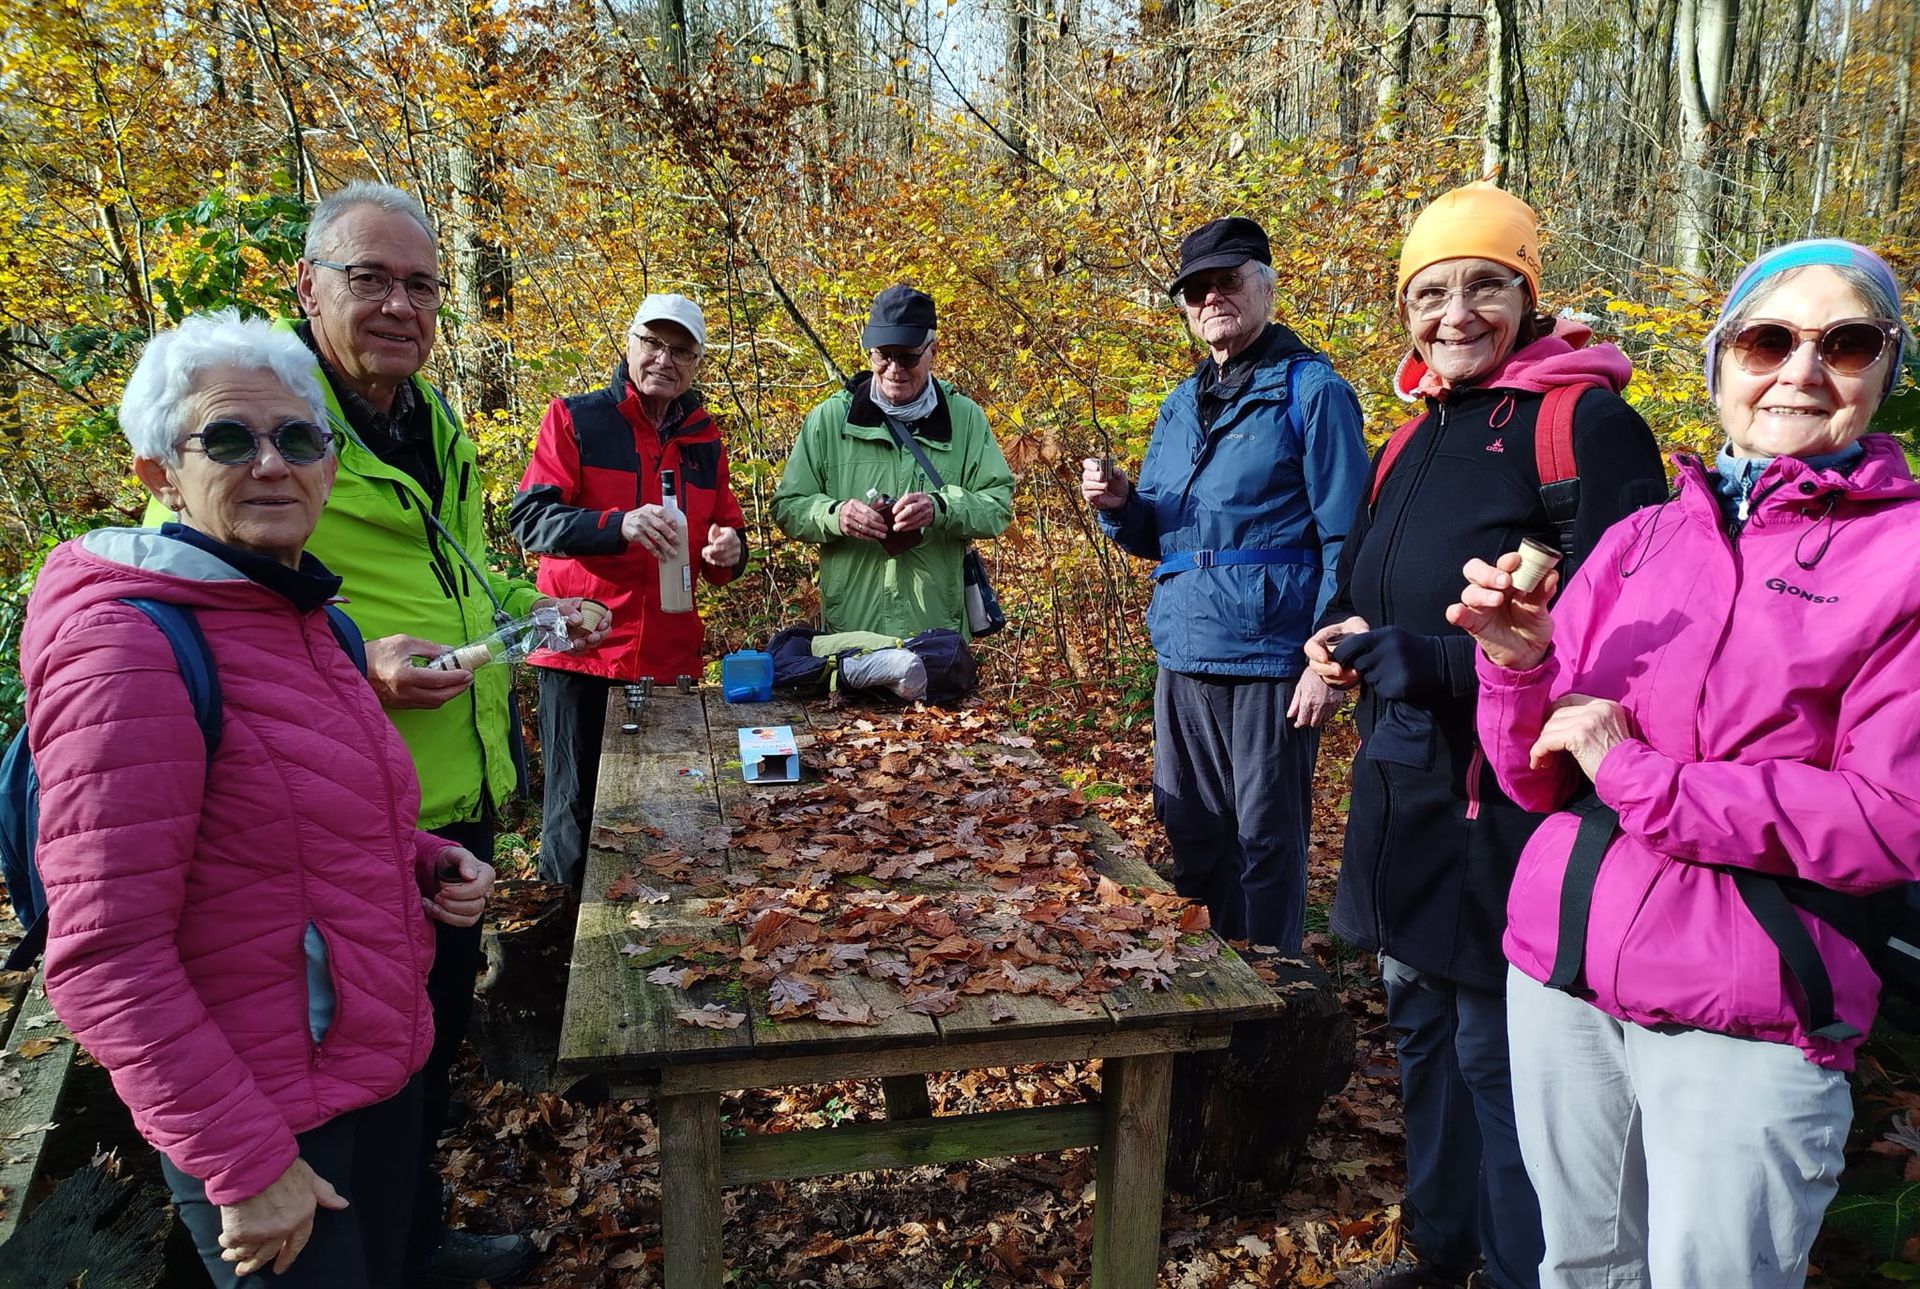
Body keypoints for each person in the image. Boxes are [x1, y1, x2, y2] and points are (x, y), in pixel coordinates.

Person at [1453, 239, 1919, 1289]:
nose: (1802, 370)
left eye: (1847, 343)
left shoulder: (1906, 557)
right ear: (1720, 364)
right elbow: (1536, 774)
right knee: (1579, 1267)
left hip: (1752, 1006)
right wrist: (1517, 667)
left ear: (1888, 370)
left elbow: (1893, 817)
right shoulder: (1643, 538)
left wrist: (1638, 775)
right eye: (1768, 340)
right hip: (1563, 972)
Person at [144, 182, 586, 1287]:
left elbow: (451, 582)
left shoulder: (425, 420)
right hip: (316, 834)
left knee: (417, 1057)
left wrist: (534, 611)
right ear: (308, 285)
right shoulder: (250, 422)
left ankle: (414, 1242)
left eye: (421, 285)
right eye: (371, 278)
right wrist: (359, 659)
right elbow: (200, 608)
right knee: (335, 1089)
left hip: (439, 803)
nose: (400, 304)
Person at [25, 310, 498, 1287]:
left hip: (371, 1067)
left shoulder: (308, 619)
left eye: (298, 437)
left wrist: (424, 857)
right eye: (230, 439)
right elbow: (104, 955)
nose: (273, 464)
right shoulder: (126, 651)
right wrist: (241, 1159)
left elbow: (287, 821)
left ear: (330, 461)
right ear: (160, 470)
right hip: (264, 1113)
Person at [1303, 183, 1666, 1289]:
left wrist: (1435, 662)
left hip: (1511, 806)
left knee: (1498, 1057)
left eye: (1484, 287)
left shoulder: (1582, 426)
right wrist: (1348, 633)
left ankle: (1519, 1269)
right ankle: (1439, 1245)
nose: (1454, 314)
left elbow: (1629, 643)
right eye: (1430, 293)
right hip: (1404, 792)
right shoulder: (1409, 437)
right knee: (1418, 1029)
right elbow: (1379, 586)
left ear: (1527, 296)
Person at [1079, 216, 1368, 949]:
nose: (1211, 298)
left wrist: (1329, 658)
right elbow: (1160, 534)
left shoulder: (1312, 392)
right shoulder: (1180, 404)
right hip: (1183, 648)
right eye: (1196, 290)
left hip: (1272, 655)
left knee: (1265, 838)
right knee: (1192, 828)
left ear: (1265, 287)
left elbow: (1348, 536)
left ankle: (1277, 989)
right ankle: (1210, 982)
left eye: (1228, 281)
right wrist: (1120, 504)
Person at [509, 294, 747, 889]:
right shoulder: (576, 419)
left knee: (664, 806)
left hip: (668, 656)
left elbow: (726, 537)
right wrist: (618, 525)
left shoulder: (705, 439)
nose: (665, 360)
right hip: (581, 649)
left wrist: (729, 552)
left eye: (682, 351)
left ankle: (658, 927)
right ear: (630, 344)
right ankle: (563, 928)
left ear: (697, 363)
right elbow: (531, 521)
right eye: (654, 344)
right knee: (572, 813)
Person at [771, 284, 1014, 638]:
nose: (894, 369)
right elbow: (788, 507)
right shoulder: (829, 420)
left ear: (932, 351)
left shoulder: (964, 419)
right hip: (852, 633)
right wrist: (836, 516)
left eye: (908, 357)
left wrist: (941, 508)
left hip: (937, 636)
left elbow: (998, 508)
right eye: (883, 356)